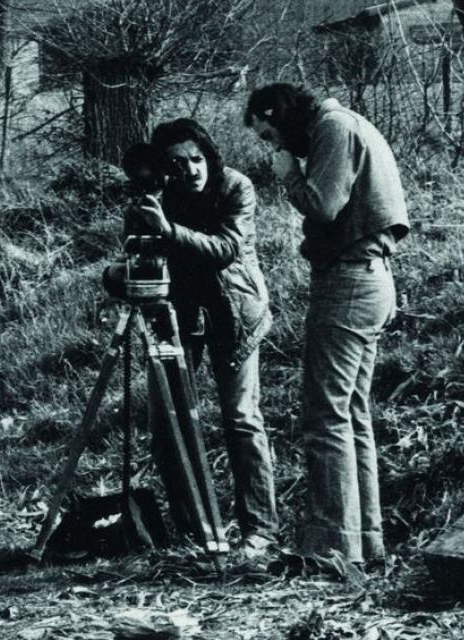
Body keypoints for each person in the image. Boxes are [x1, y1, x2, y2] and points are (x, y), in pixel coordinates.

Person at [243, 83, 408, 570]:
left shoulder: (334, 128)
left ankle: (330, 550)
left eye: (269, 132)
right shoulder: (345, 124)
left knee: (325, 418)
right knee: (350, 415)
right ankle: (363, 544)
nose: (272, 145)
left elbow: (324, 205)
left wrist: (289, 176)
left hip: (349, 282)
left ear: (279, 113)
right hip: (366, 279)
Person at [124, 118, 278, 557]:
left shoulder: (235, 187)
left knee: (241, 419)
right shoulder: (154, 196)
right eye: (177, 163)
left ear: (209, 155)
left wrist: (168, 230)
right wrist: (125, 266)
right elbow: (136, 262)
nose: (191, 170)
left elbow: (226, 247)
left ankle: (260, 532)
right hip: (176, 317)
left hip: (235, 312)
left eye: (197, 159)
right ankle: (197, 533)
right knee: (168, 424)